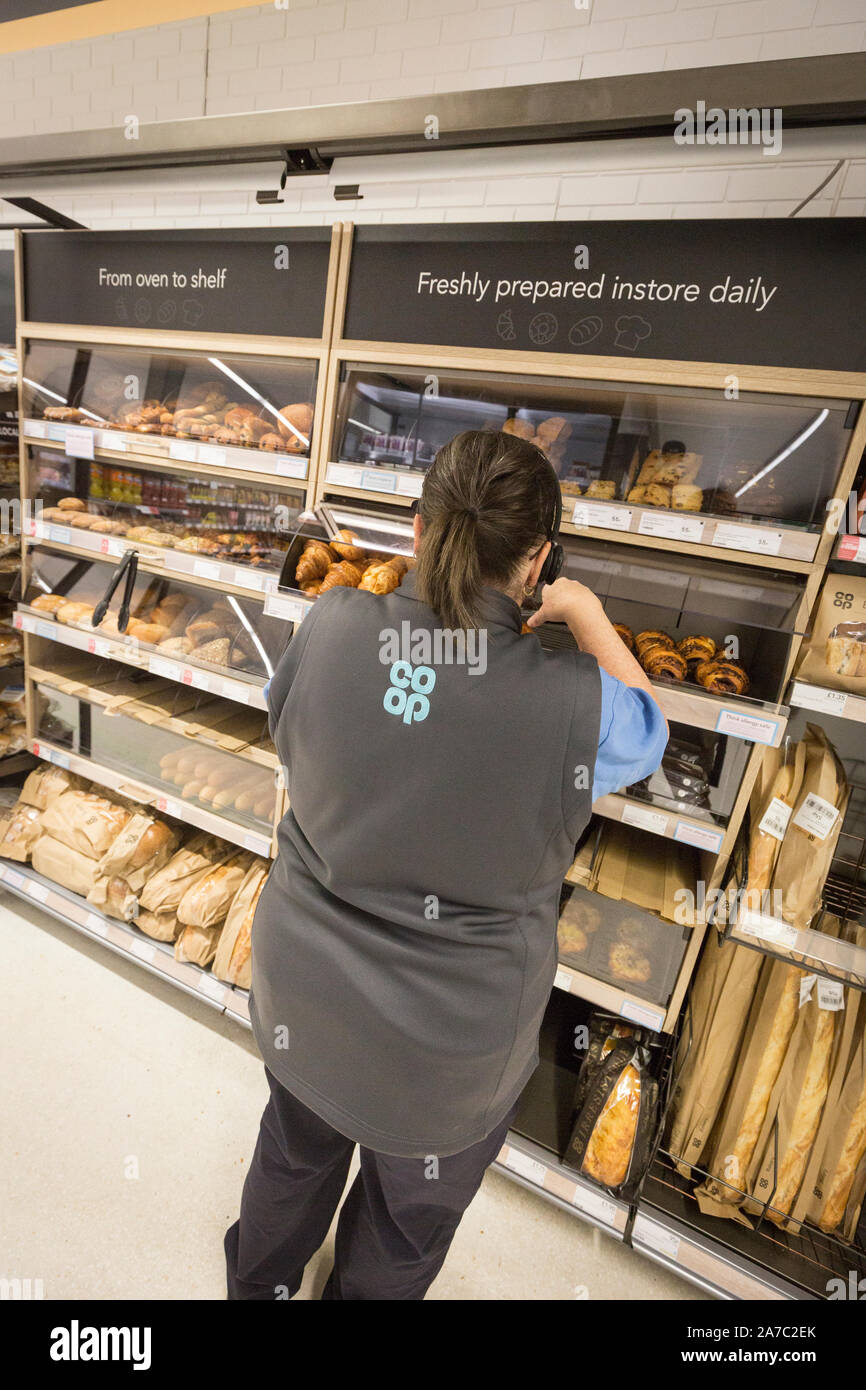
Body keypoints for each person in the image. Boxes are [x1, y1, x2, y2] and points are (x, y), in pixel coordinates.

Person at [225, 429, 667, 1301]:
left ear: (419, 533)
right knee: (405, 1221)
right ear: (538, 559)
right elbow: (651, 734)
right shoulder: (579, 704)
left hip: (305, 1000)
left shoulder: (334, 622)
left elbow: (288, 729)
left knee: (292, 1156)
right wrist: (586, 618)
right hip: (452, 1050)